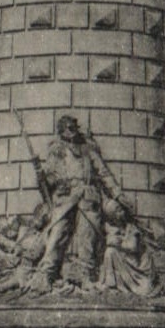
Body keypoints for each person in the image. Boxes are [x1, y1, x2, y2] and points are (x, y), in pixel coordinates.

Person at [31, 115, 118, 290]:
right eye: (67, 128)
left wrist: (117, 192)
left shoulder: (87, 148)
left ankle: (85, 276)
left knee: (88, 238)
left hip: (87, 196)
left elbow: (103, 172)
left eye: (73, 128)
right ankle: (46, 275)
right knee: (57, 234)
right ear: (61, 131)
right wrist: (41, 176)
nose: (71, 132)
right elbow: (49, 179)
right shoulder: (56, 151)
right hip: (65, 198)